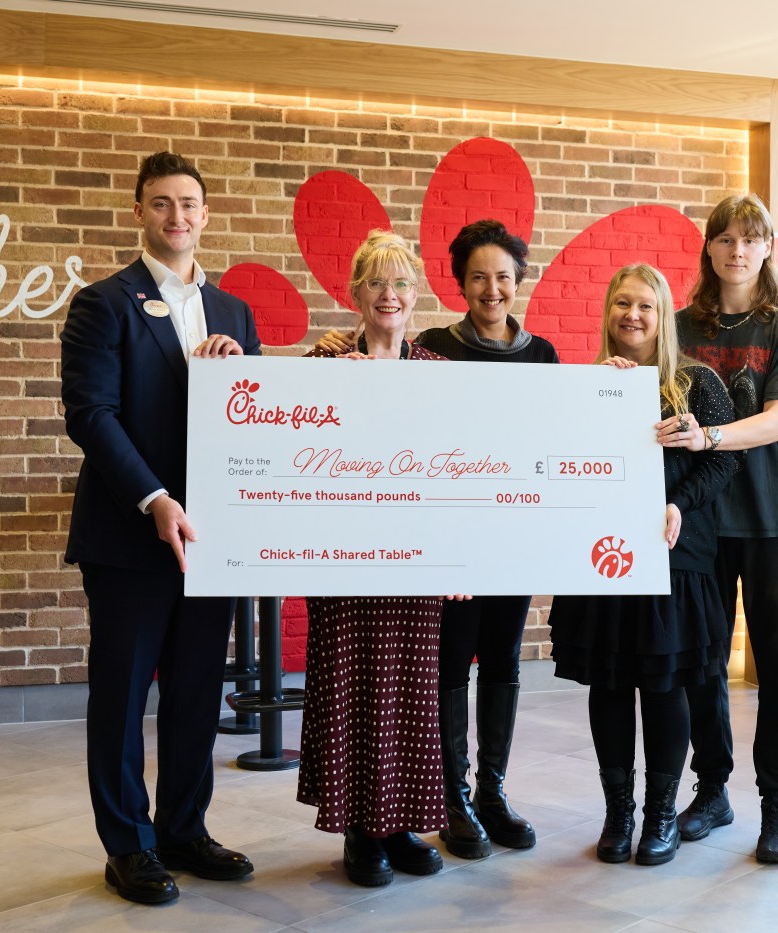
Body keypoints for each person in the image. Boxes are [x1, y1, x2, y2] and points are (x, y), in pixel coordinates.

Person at [319, 218, 559, 859]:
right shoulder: (428, 351)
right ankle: (443, 803)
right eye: (479, 276)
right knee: (432, 670)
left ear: (518, 280)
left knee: (488, 664)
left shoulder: (536, 355)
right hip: (420, 550)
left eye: (502, 276)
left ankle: (486, 795)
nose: (491, 288)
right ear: (458, 283)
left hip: (502, 538)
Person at [61, 151, 259, 905]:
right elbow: (92, 415)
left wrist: (237, 374)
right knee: (121, 697)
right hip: (130, 535)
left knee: (195, 692)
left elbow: (254, 418)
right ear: (139, 211)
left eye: (189, 203)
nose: (177, 216)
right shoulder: (103, 303)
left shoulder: (234, 312)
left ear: (206, 214)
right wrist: (154, 498)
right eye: (161, 203)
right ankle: (129, 846)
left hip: (211, 539)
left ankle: (184, 829)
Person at [549, 264, 739, 866]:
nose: (632, 316)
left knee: (663, 687)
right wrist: (598, 400)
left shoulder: (697, 382)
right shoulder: (588, 384)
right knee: (608, 685)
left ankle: (660, 814)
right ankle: (618, 813)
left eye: (646, 306)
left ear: (663, 317)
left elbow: (723, 461)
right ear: (608, 311)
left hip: (673, 558)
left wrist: (678, 502)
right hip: (604, 557)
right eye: (622, 304)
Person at [659, 193, 778, 863]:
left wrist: (708, 436)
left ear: (767, 248)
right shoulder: (678, 327)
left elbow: (776, 421)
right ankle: (713, 789)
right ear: (709, 247)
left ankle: (777, 803)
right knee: (703, 665)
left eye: (750, 238)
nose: (737, 249)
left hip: (773, 519)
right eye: (725, 238)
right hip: (699, 523)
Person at [296, 230, 455, 887]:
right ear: (355, 293)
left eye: (401, 283)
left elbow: (458, 467)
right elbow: (297, 450)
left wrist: (456, 557)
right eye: (376, 283)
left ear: (416, 294)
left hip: (414, 558)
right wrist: (336, 392)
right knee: (350, 683)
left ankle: (400, 822)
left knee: (411, 688)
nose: (389, 294)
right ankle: (360, 828)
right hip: (343, 553)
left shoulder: (438, 370)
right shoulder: (326, 359)